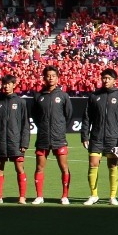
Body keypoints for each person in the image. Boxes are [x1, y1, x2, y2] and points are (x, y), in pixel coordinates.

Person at [81, 68, 118, 206]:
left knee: (112, 165)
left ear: (115, 80)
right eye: (104, 78)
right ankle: (93, 195)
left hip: (113, 138)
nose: (106, 80)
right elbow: (87, 118)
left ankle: (112, 196)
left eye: (109, 78)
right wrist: (85, 135)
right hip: (96, 137)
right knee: (93, 164)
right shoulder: (94, 96)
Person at [33, 65, 72, 205]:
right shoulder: (38, 96)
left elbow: (68, 115)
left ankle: (65, 196)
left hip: (59, 138)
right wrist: (43, 127)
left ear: (57, 78)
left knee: (64, 167)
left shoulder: (63, 96)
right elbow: (35, 116)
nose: (50, 78)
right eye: (48, 76)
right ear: (44, 78)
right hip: (43, 138)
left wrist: (59, 128)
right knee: (39, 167)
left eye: (53, 76)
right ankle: (39, 196)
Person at [0, 73, 31, 204]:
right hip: (0, 141)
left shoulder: (21, 102)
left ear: (14, 85)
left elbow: (25, 124)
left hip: (16, 141)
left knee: (19, 167)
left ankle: (22, 196)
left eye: (9, 84)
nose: (6, 86)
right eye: (4, 84)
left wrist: (24, 142)